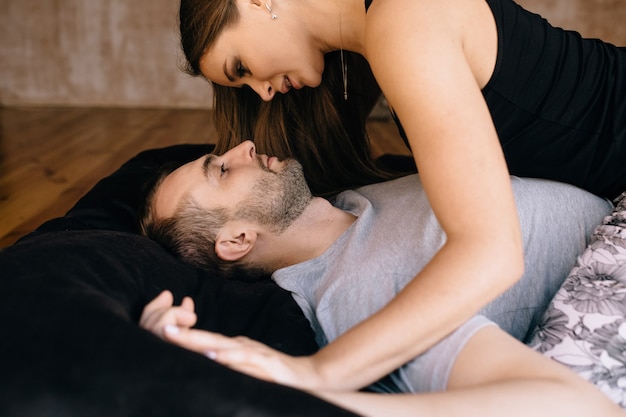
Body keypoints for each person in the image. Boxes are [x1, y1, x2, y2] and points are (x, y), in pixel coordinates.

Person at [176, 0, 626, 395]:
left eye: (241, 68)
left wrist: (321, 373)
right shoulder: (377, 35)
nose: (263, 91)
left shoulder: (402, 23)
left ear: (256, 2)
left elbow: (491, 254)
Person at [138, 141, 623, 415]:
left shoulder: (357, 199)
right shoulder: (358, 299)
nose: (243, 146)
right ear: (238, 239)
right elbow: (576, 405)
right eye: (222, 170)